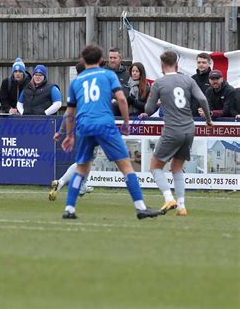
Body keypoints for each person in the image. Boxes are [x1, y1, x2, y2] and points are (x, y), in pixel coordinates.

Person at [60, 44, 161, 220]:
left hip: (84, 126)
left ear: (84, 60)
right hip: (105, 124)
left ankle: (69, 208)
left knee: (81, 168)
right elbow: (121, 99)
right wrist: (126, 123)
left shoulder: (76, 81)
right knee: (126, 166)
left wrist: (69, 135)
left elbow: (69, 112)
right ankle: (140, 207)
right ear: (101, 60)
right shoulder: (108, 75)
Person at [146, 51, 214, 217]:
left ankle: (169, 198)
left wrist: (159, 99)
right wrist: (208, 119)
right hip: (189, 129)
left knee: (155, 166)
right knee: (177, 167)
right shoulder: (188, 79)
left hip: (172, 129)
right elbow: (203, 100)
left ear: (162, 66)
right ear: (177, 64)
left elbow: (148, 109)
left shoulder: (159, 83)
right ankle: (181, 206)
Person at [49, 60, 93, 201]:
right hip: (92, 126)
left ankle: (82, 184)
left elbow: (69, 112)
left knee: (88, 159)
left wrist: (61, 131)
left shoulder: (76, 87)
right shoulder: (92, 85)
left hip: (81, 127)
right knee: (84, 160)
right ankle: (62, 182)